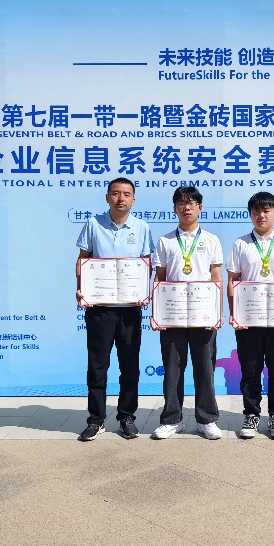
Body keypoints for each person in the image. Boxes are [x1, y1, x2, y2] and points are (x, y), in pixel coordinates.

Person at [75, 177, 154, 441]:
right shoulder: (93, 224)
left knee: (129, 366)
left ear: (133, 199)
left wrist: (144, 292)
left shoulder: (141, 227)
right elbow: (83, 260)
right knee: (97, 366)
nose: (121, 198)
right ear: (107, 197)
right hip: (100, 308)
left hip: (130, 309)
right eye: (116, 193)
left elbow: (146, 265)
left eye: (127, 194)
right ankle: (96, 419)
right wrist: (82, 289)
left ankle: (126, 417)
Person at [226, 192, 274, 439]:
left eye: (266, 210)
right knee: (250, 370)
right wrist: (235, 314)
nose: (261, 215)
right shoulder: (241, 244)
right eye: (256, 211)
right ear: (250, 214)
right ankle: (251, 414)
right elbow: (232, 281)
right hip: (249, 321)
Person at [150, 186, 223, 440]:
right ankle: (172, 419)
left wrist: (217, 313)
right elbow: (159, 279)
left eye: (192, 203)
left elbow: (216, 278)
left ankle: (206, 419)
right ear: (175, 208)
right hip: (172, 316)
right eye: (181, 203)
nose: (186, 207)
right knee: (172, 369)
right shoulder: (165, 241)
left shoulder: (211, 240)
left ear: (200, 208)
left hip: (203, 316)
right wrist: (157, 314)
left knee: (205, 368)